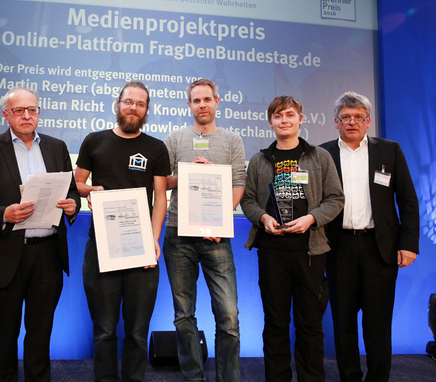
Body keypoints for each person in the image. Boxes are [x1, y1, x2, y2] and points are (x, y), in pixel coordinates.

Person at [0, 87, 80, 382]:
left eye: (32, 109)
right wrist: (3, 214)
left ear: (39, 112)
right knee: (5, 334)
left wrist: (73, 206)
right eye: (18, 110)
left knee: (40, 336)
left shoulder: (57, 147)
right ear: (5, 115)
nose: (26, 115)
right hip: (5, 253)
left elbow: (73, 191)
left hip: (48, 255)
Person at [241, 95, 344, 382]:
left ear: (300, 118)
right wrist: (262, 217)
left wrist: (311, 218)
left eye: (289, 115)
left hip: (310, 251)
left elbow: (335, 199)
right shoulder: (260, 160)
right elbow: (248, 201)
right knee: (275, 322)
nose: (283, 120)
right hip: (272, 250)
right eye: (277, 116)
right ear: (270, 122)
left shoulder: (319, 157)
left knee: (309, 323)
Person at [74, 81, 170, 382]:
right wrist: (92, 189)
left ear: (146, 110)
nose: (133, 108)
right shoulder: (94, 141)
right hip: (101, 247)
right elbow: (76, 184)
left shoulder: (156, 147)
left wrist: (154, 239)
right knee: (104, 330)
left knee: (138, 332)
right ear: (118, 104)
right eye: (128, 102)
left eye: (140, 104)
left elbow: (160, 199)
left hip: (141, 248)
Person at [320, 92, 419, 382]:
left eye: (358, 117)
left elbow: (408, 201)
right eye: (346, 117)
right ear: (336, 121)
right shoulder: (322, 153)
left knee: (378, 323)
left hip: (381, 248)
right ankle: (349, 377)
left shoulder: (390, 150)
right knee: (344, 322)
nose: (352, 122)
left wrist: (409, 245)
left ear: (368, 121)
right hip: (338, 247)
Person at [162, 78, 245, 382]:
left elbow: (239, 185)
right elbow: (163, 183)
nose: (202, 105)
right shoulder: (174, 139)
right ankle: (193, 377)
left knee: (229, 316)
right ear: (189, 105)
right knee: (184, 315)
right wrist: (185, 173)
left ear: (216, 102)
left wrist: (219, 220)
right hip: (178, 235)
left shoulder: (232, 140)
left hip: (216, 237)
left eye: (207, 99)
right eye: (196, 100)